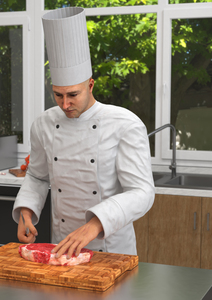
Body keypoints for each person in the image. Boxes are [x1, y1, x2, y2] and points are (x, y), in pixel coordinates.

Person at [12, 7, 155, 259]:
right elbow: (37, 176)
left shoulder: (125, 123)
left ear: (90, 85)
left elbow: (142, 192)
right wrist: (26, 211)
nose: (65, 104)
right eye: (58, 95)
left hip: (111, 249)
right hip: (63, 245)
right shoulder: (44, 124)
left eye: (73, 95)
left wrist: (95, 224)